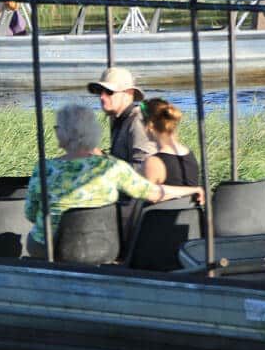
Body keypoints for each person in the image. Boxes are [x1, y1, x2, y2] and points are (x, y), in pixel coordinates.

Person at [24, 104, 202, 259]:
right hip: (103, 247)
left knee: (32, 238)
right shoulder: (113, 167)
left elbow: (31, 214)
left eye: (57, 127)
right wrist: (191, 190)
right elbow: (154, 193)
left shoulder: (44, 169)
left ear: (63, 133)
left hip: (51, 248)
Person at [87, 66, 155, 169]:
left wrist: (103, 159)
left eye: (109, 92)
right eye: (100, 91)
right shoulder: (121, 119)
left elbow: (144, 169)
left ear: (128, 93)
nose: (102, 97)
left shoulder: (138, 121)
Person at [141, 98, 199, 188]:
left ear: (150, 126)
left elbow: (147, 196)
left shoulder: (153, 162)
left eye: (142, 123)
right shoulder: (190, 155)